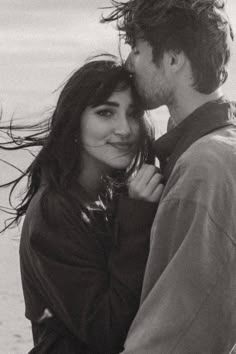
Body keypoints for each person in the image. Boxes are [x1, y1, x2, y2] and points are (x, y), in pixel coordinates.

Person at [0, 57, 164, 353]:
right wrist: (137, 219)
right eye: (106, 113)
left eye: (133, 113)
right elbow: (108, 331)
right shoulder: (54, 211)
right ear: (75, 121)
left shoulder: (111, 198)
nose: (125, 129)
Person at [102, 1, 236, 353]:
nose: (129, 63)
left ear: (174, 60)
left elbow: (176, 335)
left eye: (138, 50)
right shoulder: (220, 148)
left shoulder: (203, 167)